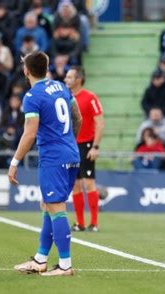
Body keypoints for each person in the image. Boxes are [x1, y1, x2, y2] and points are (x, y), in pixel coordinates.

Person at [8, 51, 82, 276]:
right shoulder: (61, 87)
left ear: (26, 71)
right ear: (47, 67)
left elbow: (29, 134)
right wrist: (68, 141)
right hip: (71, 154)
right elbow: (77, 116)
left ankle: (65, 265)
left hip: (53, 159)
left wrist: (14, 162)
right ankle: (41, 260)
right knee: (48, 205)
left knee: (56, 207)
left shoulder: (32, 96)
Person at [65, 66, 104, 232]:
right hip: (71, 146)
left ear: (78, 80)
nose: (66, 80)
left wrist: (95, 147)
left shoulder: (90, 97)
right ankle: (80, 223)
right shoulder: (65, 97)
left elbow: (100, 123)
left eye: (69, 77)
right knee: (75, 185)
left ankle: (94, 223)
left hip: (86, 145)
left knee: (89, 183)